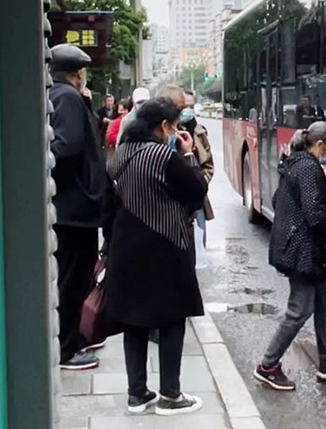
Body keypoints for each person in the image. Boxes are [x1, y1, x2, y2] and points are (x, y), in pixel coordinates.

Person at [105, 97, 208, 416]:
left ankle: (137, 394)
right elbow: (196, 192)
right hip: (165, 247)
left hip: (125, 248)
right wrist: (188, 154)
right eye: (174, 126)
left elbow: (109, 203)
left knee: (133, 320)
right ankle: (170, 395)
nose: (176, 132)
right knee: (172, 319)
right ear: (163, 126)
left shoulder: (122, 153)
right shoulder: (164, 156)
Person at [254, 121, 326, 391]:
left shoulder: (294, 163)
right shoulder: (309, 168)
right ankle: (267, 366)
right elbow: (314, 215)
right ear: (320, 145)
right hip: (301, 251)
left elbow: (277, 200)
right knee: (299, 310)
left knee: (324, 297)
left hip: (297, 246)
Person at [49, 44, 108, 371]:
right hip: (75, 209)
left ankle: (69, 339)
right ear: (78, 73)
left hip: (69, 207)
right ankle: (66, 349)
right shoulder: (68, 97)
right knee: (73, 280)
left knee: (70, 277)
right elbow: (68, 146)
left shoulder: (59, 95)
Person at [181, 90, 215, 246]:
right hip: (177, 199)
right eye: (184, 106)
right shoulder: (168, 131)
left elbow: (208, 164)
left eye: (191, 106)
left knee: (199, 241)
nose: (188, 110)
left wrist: (201, 182)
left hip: (197, 196)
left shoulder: (200, 132)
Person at [105, 98, 132, 165]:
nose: (123, 112)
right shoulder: (117, 121)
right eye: (121, 110)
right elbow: (110, 137)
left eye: (125, 110)